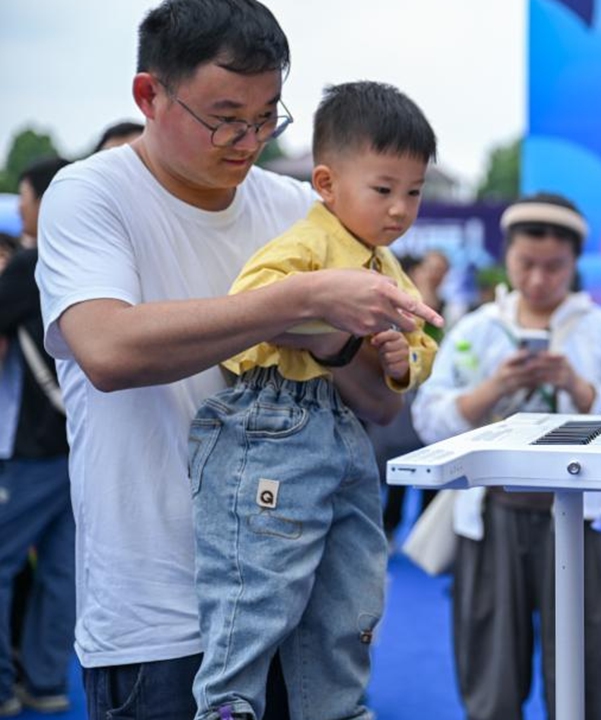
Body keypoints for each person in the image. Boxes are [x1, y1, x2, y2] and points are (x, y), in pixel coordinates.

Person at [34, 2, 441, 718]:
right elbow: (106, 348)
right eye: (225, 116)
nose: (247, 139)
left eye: (266, 117)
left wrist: (348, 343)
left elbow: (380, 405)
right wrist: (298, 300)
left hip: (301, 599)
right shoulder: (91, 193)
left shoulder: (300, 209)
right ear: (149, 96)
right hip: (161, 612)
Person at [187, 80, 439, 720]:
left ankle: (335, 706)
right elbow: (248, 312)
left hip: (345, 435)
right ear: (326, 184)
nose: (399, 208)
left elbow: (420, 338)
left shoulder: (384, 264)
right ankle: (227, 704)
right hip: (276, 418)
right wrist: (327, 320)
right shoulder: (310, 246)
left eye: (413, 191)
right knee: (260, 581)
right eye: (383, 189)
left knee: (353, 589)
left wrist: (400, 360)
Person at [413, 193, 601, 720]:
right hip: (494, 515)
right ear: (507, 257)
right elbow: (428, 416)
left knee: (585, 674)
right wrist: (491, 389)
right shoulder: (476, 330)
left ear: (575, 263)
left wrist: (580, 389)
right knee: (491, 676)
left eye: (554, 267)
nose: (539, 279)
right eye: (526, 264)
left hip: (581, 519)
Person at [0, 157, 74, 716]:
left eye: (25, 197)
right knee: (61, 570)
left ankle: (3, 686)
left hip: (35, 445)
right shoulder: (91, 257)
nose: (22, 208)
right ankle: (46, 681)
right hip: (86, 441)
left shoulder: (32, 264)